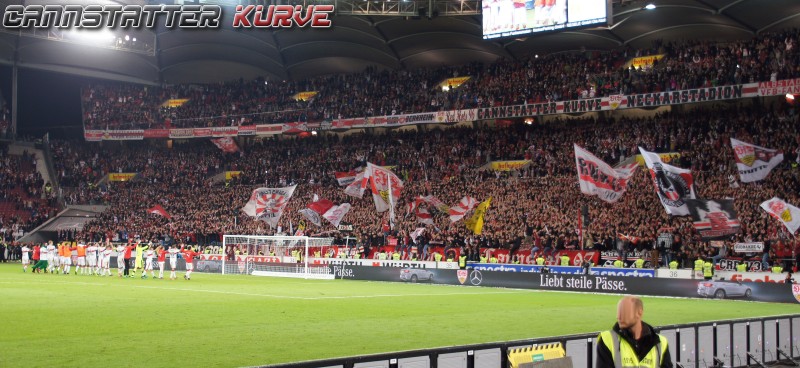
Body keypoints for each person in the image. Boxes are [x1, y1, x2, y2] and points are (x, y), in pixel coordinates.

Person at [596, 296, 673, 368]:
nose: (618, 316)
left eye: (624, 311)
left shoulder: (661, 343)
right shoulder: (607, 339)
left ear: (639, 313)